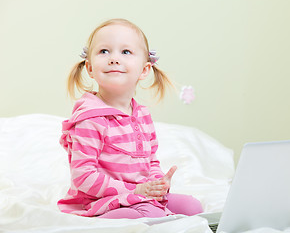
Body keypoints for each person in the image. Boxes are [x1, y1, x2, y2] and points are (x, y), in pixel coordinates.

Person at [58, 18, 203, 219]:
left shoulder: (142, 115)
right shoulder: (90, 119)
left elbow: (150, 161)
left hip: (138, 196)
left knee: (192, 207)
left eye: (125, 52)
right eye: (104, 51)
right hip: (99, 201)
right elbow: (83, 176)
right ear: (90, 68)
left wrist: (156, 185)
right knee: (148, 215)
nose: (114, 59)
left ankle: (146, 210)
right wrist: (134, 192)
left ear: (144, 70)